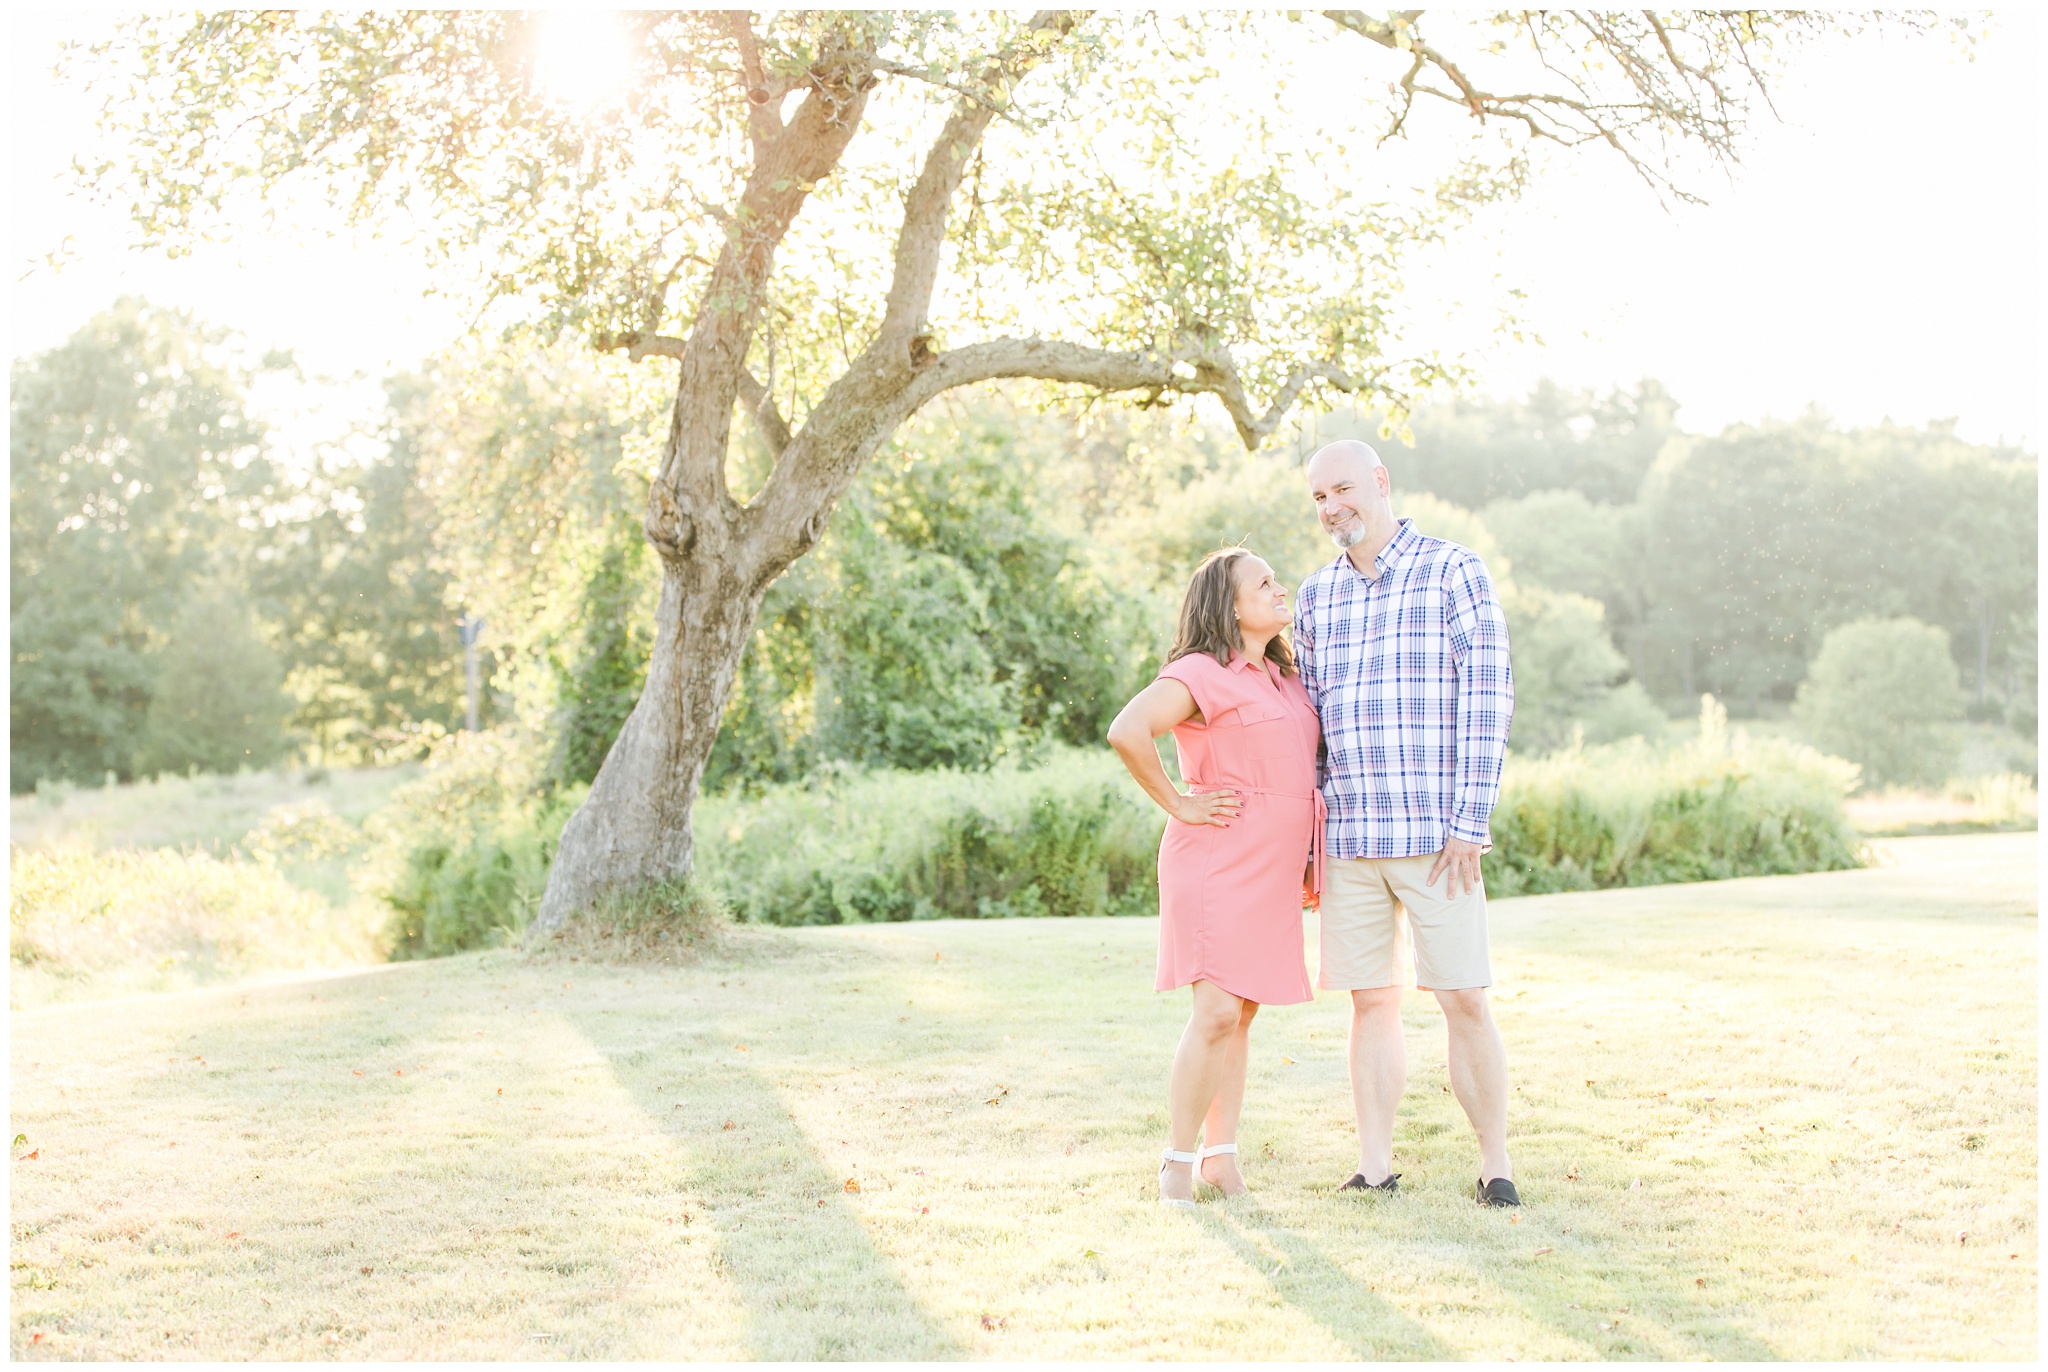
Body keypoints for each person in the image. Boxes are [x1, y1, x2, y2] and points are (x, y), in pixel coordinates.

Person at [1293, 439, 1521, 1208]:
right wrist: (1312, 843)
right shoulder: (1316, 596)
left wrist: (1470, 820)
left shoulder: (1454, 570)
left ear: (1381, 483)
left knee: (1462, 997)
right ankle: (1376, 1164)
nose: (1331, 508)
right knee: (1370, 1003)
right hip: (1354, 842)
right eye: (1319, 497)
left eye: (1343, 489)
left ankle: (1495, 1165)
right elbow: (1312, 722)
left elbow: (1490, 697)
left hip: (1438, 841)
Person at [1107, 548, 1321, 1209]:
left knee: (1244, 1011)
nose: (1279, 587)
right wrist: (1178, 801)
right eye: (1264, 582)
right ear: (1229, 605)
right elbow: (1128, 729)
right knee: (1217, 1009)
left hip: (1275, 867)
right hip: (1217, 860)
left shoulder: (1284, 677)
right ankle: (1177, 1162)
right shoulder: (1201, 673)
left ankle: (1221, 1160)